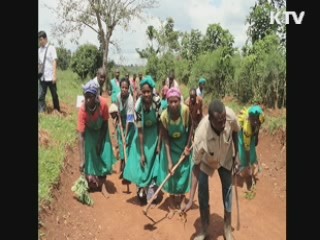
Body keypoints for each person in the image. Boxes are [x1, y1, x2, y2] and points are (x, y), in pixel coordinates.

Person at [182, 99, 240, 240]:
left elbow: (236, 132)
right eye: (219, 122)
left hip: (225, 158)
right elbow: (195, 166)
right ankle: (204, 229)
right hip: (207, 161)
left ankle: (227, 228)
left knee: (228, 190)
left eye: (224, 119)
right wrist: (190, 200)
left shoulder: (230, 117)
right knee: (202, 193)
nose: (223, 123)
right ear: (211, 120)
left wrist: (237, 155)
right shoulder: (201, 136)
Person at [123, 75, 162, 204]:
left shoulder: (158, 102)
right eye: (144, 92)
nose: (146, 94)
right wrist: (142, 152)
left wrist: (159, 144)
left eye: (148, 91)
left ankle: (151, 189)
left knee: (154, 161)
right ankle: (140, 188)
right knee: (141, 161)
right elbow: (139, 130)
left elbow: (161, 123)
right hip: (142, 134)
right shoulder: (138, 105)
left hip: (155, 132)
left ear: (152, 91)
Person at [157, 87, 193, 215]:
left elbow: (190, 128)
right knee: (171, 173)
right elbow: (165, 138)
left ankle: (182, 198)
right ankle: (171, 202)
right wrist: (169, 160)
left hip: (183, 144)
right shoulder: (164, 116)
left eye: (176, 101)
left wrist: (187, 146)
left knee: (184, 171)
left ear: (179, 101)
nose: (173, 104)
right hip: (170, 146)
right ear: (167, 102)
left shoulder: (185, 111)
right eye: (170, 102)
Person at [77, 81, 117, 196]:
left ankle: (103, 185)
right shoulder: (83, 110)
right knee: (89, 153)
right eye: (86, 97)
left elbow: (105, 122)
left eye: (90, 97)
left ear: (96, 96)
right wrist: (82, 159)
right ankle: (89, 180)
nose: (88, 100)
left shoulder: (103, 104)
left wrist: (100, 141)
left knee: (104, 152)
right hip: (89, 132)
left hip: (101, 130)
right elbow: (81, 135)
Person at [236, 105, 265, 190]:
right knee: (244, 155)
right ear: (250, 119)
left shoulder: (261, 116)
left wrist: (256, 136)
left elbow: (258, 125)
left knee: (253, 153)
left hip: (251, 131)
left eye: (257, 121)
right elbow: (247, 147)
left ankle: (252, 169)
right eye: (253, 120)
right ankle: (244, 176)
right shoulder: (246, 128)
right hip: (241, 132)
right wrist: (248, 163)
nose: (255, 122)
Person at [115, 78, 135, 183]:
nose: (124, 89)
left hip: (130, 126)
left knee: (127, 146)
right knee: (121, 148)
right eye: (122, 87)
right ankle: (122, 168)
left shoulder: (130, 100)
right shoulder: (118, 96)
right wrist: (118, 123)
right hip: (121, 123)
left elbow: (129, 119)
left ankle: (128, 172)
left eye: (126, 88)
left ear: (128, 89)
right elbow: (118, 110)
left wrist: (126, 135)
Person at [38, 31, 61, 113]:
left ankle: (57, 110)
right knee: (40, 96)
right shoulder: (39, 50)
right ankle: (41, 111)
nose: (40, 42)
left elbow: (54, 61)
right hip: (42, 77)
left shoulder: (51, 48)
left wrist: (54, 75)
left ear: (45, 38)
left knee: (54, 95)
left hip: (51, 77)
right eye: (39, 40)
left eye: (41, 40)